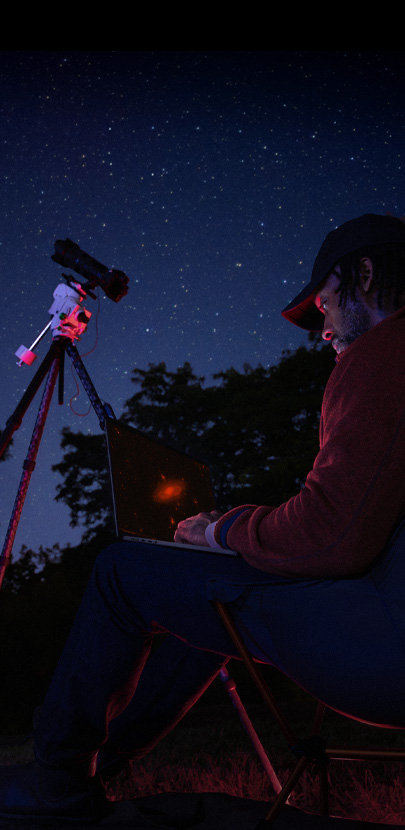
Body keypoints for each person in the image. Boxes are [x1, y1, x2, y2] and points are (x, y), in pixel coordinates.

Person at [2, 213, 405, 821]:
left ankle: (56, 784)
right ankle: (101, 765)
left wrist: (221, 529)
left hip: (382, 642)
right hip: (378, 611)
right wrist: (235, 542)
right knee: (212, 593)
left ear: (366, 275)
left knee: (122, 572)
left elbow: (332, 533)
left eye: (324, 305)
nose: (322, 330)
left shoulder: (384, 353)